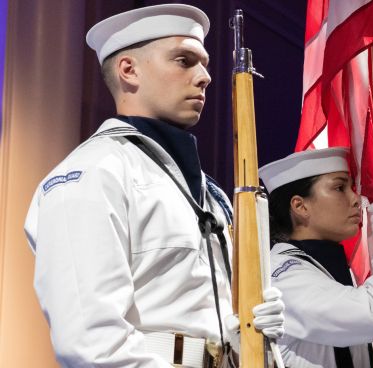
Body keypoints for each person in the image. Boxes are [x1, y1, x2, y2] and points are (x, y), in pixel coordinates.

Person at [23, 4, 283, 367]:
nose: (205, 76)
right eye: (184, 60)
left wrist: (249, 326)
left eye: (204, 63)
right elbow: (92, 344)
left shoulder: (211, 194)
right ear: (129, 70)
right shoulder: (93, 174)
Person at [259, 147, 373, 368]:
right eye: (339, 187)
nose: (356, 199)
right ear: (300, 206)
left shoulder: (329, 268)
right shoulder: (283, 276)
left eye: (351, 187)